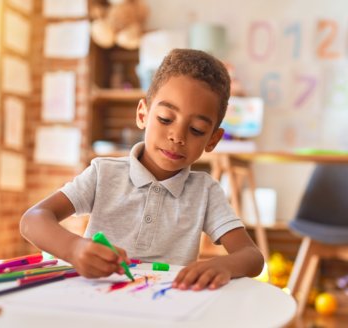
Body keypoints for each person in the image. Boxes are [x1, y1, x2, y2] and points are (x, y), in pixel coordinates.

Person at [20, 48, 264, 291]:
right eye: (166, 119)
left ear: (212, 140)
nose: (177, 137)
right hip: (98, 302)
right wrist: (74, 249)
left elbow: (252, 256)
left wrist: (223, 265)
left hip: (164, 310)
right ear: (143, 114)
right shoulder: (103, 173)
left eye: (197, 130)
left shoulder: (205, 192)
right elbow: (33, 219)